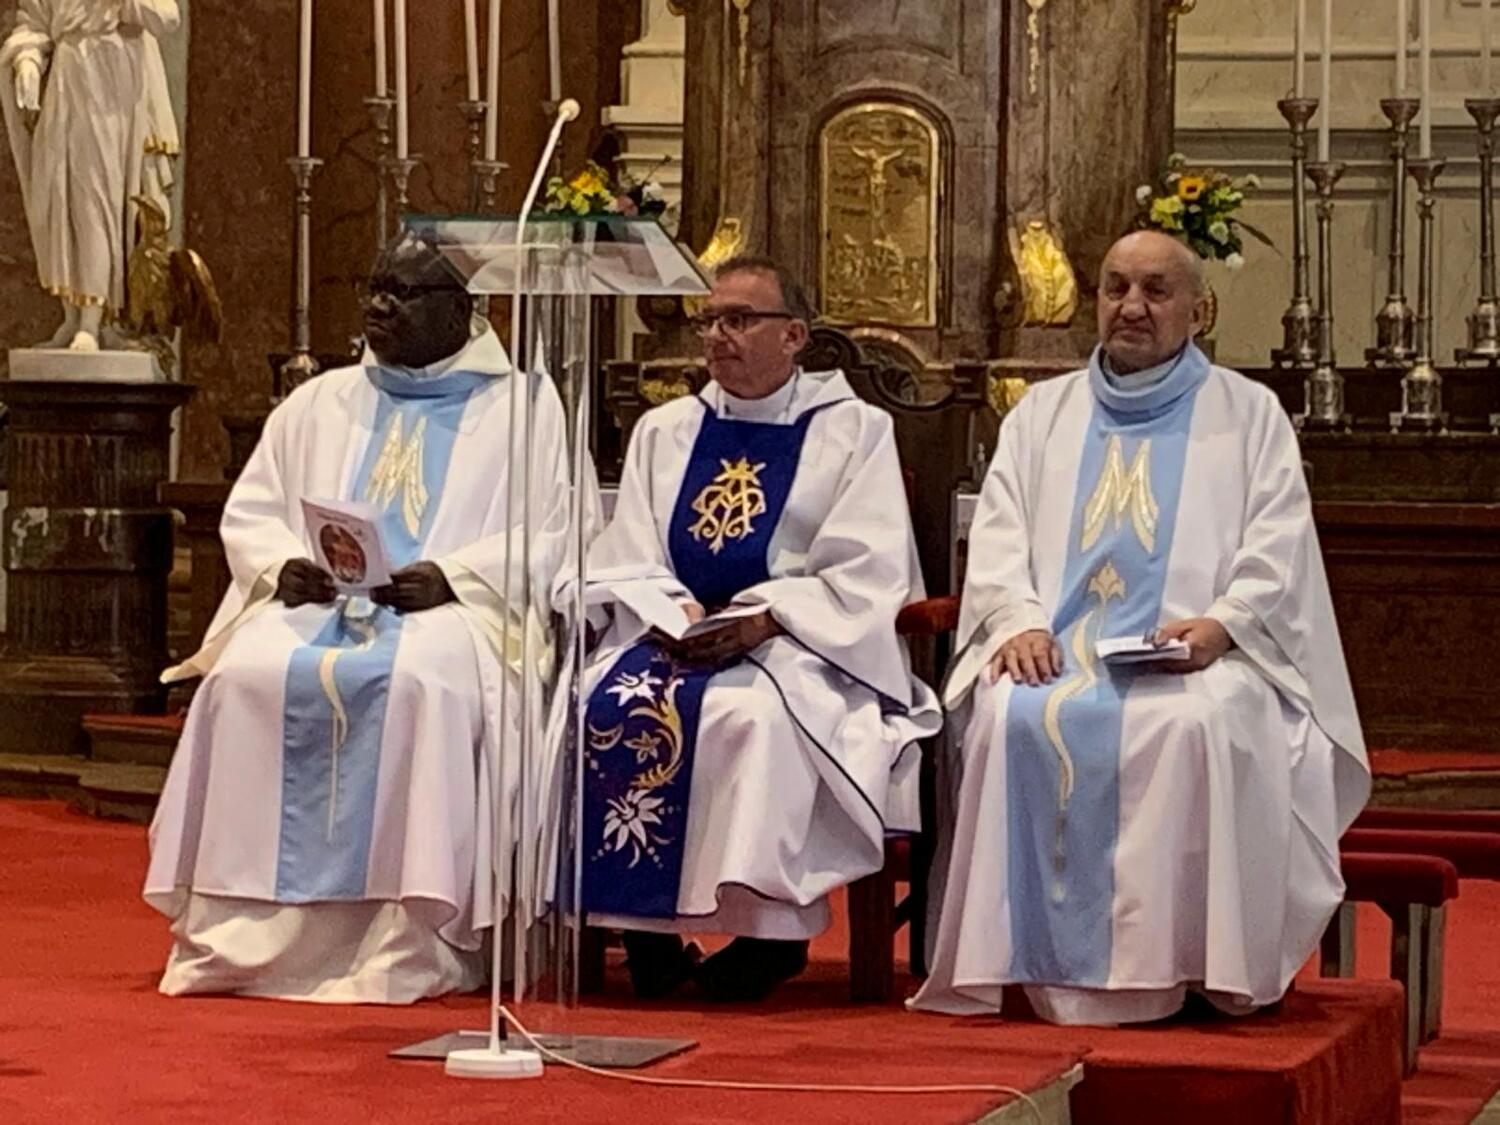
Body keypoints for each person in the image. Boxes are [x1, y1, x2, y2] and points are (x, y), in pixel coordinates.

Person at [912, 230, 1370, 1025]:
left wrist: (1224, 625)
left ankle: (1187, 965)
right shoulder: (1041, 414)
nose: (1131, 306)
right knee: (1007, 712)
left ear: (1200, 309)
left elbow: (1279, 546)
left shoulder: (1248, 415)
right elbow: (998, 534)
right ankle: (1022, 964)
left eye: (1157, 291)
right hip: (1057, 650)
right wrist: (1017, 620)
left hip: (1199, 653)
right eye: (1116, 287)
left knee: (1198, 724)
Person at [144, 232, 577, 1003]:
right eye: (374, 288)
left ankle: (407, 934)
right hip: (322, 604)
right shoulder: (320, 401)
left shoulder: (524, 408)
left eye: (402, 293)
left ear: (463, 308)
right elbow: (254, 511)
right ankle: (238, 934)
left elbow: (557, 532)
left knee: (416, 684)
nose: (379, 306)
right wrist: (283, 565)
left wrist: (453, 576)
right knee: (240, 679)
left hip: (455, 615)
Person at [572, 256, 941, 1002]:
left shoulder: (853, 431)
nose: (717, 336)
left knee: (755, 718)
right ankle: (643, 931)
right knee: (594, 704)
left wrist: (767, 618)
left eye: (739, 320)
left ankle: (769, 938)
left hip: (798, 643)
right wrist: (671, 611)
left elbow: (867, 568)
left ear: (793, 335)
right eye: (710, 321)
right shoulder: (665, 429)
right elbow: (628, 551)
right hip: (673, 637)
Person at [1, 0, 180, 351]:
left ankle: (92, 320)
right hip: (66, 82)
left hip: (110, 85)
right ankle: (72, 315)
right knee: (55, 196)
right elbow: (33, 23)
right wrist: (27, 61)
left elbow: (166, 16)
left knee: (95, 199)